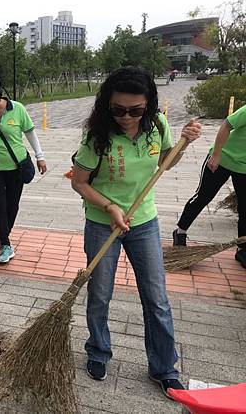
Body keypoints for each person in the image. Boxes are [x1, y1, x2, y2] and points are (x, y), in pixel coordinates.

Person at [71, 67, 201, 398]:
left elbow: (165, 164)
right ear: (107, 106)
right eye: (118, 110)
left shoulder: (157, 126)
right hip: (103, 222)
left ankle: (164, 367)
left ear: (148, 106)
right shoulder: (96, 138)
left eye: (135, 110)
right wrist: (110, 208)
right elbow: (79, 182)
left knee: (156, 298)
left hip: (143, 222)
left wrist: (183, 144)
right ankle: (98, 351)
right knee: (100, 294)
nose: (126, 117)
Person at [0, 76, 47, 264]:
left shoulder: (18, 109)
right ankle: (5, 243)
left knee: (12, 205)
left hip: (16, 167)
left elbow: (30, 133)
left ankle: (3, 234)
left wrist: (40, 156)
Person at [173, 103, 246, 268]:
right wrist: (216, 154)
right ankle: (180, 232)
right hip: (223, 157)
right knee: (203, 196)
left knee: (245, 207)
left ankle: (242, 248)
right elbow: (226, 126)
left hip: (244, 168)